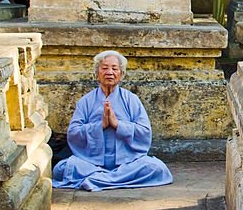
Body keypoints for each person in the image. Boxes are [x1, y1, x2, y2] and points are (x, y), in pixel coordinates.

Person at [52, 50, 174, 191]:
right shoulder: (86, 101)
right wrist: (100, 126)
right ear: (97, 73)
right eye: (104, 68)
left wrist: (118, 125)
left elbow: (145, 132)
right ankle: (109, 178)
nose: (109, 72)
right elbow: (73, 132)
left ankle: (98, 179)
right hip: (92, 164)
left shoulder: (131, 99)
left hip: (127, 163)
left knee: (158, 168)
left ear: (121, 74)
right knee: (60, 169)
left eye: (114, 68)